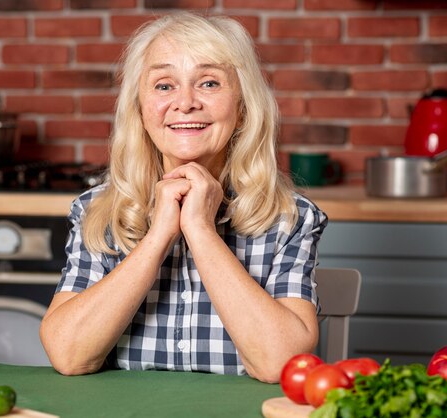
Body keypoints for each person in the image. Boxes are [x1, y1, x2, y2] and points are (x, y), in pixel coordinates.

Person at [39, 12, 327, 384]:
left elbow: (279, 365)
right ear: (140, 110)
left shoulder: (291, 218)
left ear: (242, 107)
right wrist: (159, 236)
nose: (185, 102)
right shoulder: (98, 211)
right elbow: (68, 355)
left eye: (209, 83)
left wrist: (199, 228)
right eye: (163, 86)